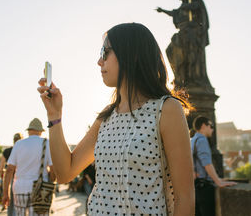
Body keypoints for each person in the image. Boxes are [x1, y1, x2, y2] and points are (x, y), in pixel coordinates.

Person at [38, 23, 195, 215]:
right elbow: (65, 172)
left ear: (131, 54)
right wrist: (55, 116)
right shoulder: (106, 117)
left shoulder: (166, 109)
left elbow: (184, 197)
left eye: (105, 52)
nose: (99, 61)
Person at [2, 119, 55, 216]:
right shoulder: (47, 143)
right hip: (40, 190)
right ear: (40, 131)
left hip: (19, 188)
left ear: (29, 131)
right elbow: (53, 169)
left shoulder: (19, 144)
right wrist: (51, 184)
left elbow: (9, 170)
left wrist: (5, 193)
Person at [191, 116, 236, 216]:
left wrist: (193, 173)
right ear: (203, 126)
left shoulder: (192, 140)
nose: (212, 129)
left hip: (195, 187)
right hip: (205, 187)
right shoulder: (202, 140)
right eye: (210, 126)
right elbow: (207, 163)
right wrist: (218, 182)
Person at [0, 133, 23, 216]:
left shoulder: (7, 151)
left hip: (10, 179)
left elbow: (1, 167)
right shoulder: (24, 150)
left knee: (10, 202)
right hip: (22, 179)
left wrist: (2, 178)